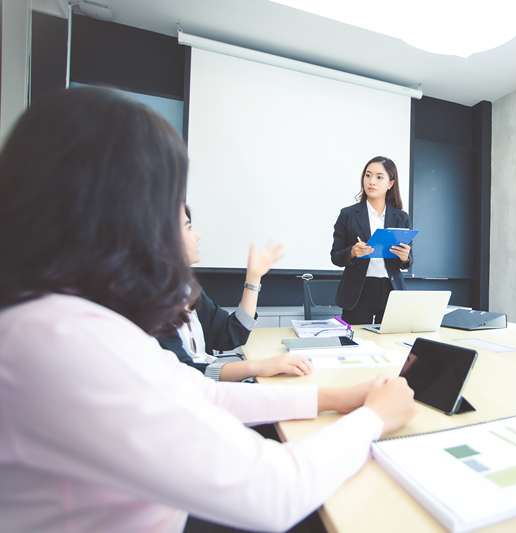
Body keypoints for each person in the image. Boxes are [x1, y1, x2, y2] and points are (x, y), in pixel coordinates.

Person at [0, 86, 417, 532]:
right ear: (118, 205)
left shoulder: (70, 317)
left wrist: (340, 397)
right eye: (168, 199)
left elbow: (203, 392)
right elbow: (273, 493)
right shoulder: (61, 340)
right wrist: (374, 417)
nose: (178, 220)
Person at [158, 205, 312, 381]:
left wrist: (253, 278)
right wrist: (257, 366)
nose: (198, 235)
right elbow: (185, 373)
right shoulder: (147, 305)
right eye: (189, 227)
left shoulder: (186, 289)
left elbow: (231, 333)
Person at [331, 156, 412, 325]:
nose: (371, 181)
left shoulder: (401, 218)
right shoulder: (348, 215)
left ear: (390, 183)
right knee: (355, 345)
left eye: (379, 177)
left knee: (390, 346)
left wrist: (405, 258)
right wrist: (352, 252)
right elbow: (336, 256)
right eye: (368, 175)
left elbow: (407, 262)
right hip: (358, 292)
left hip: (392, 292)